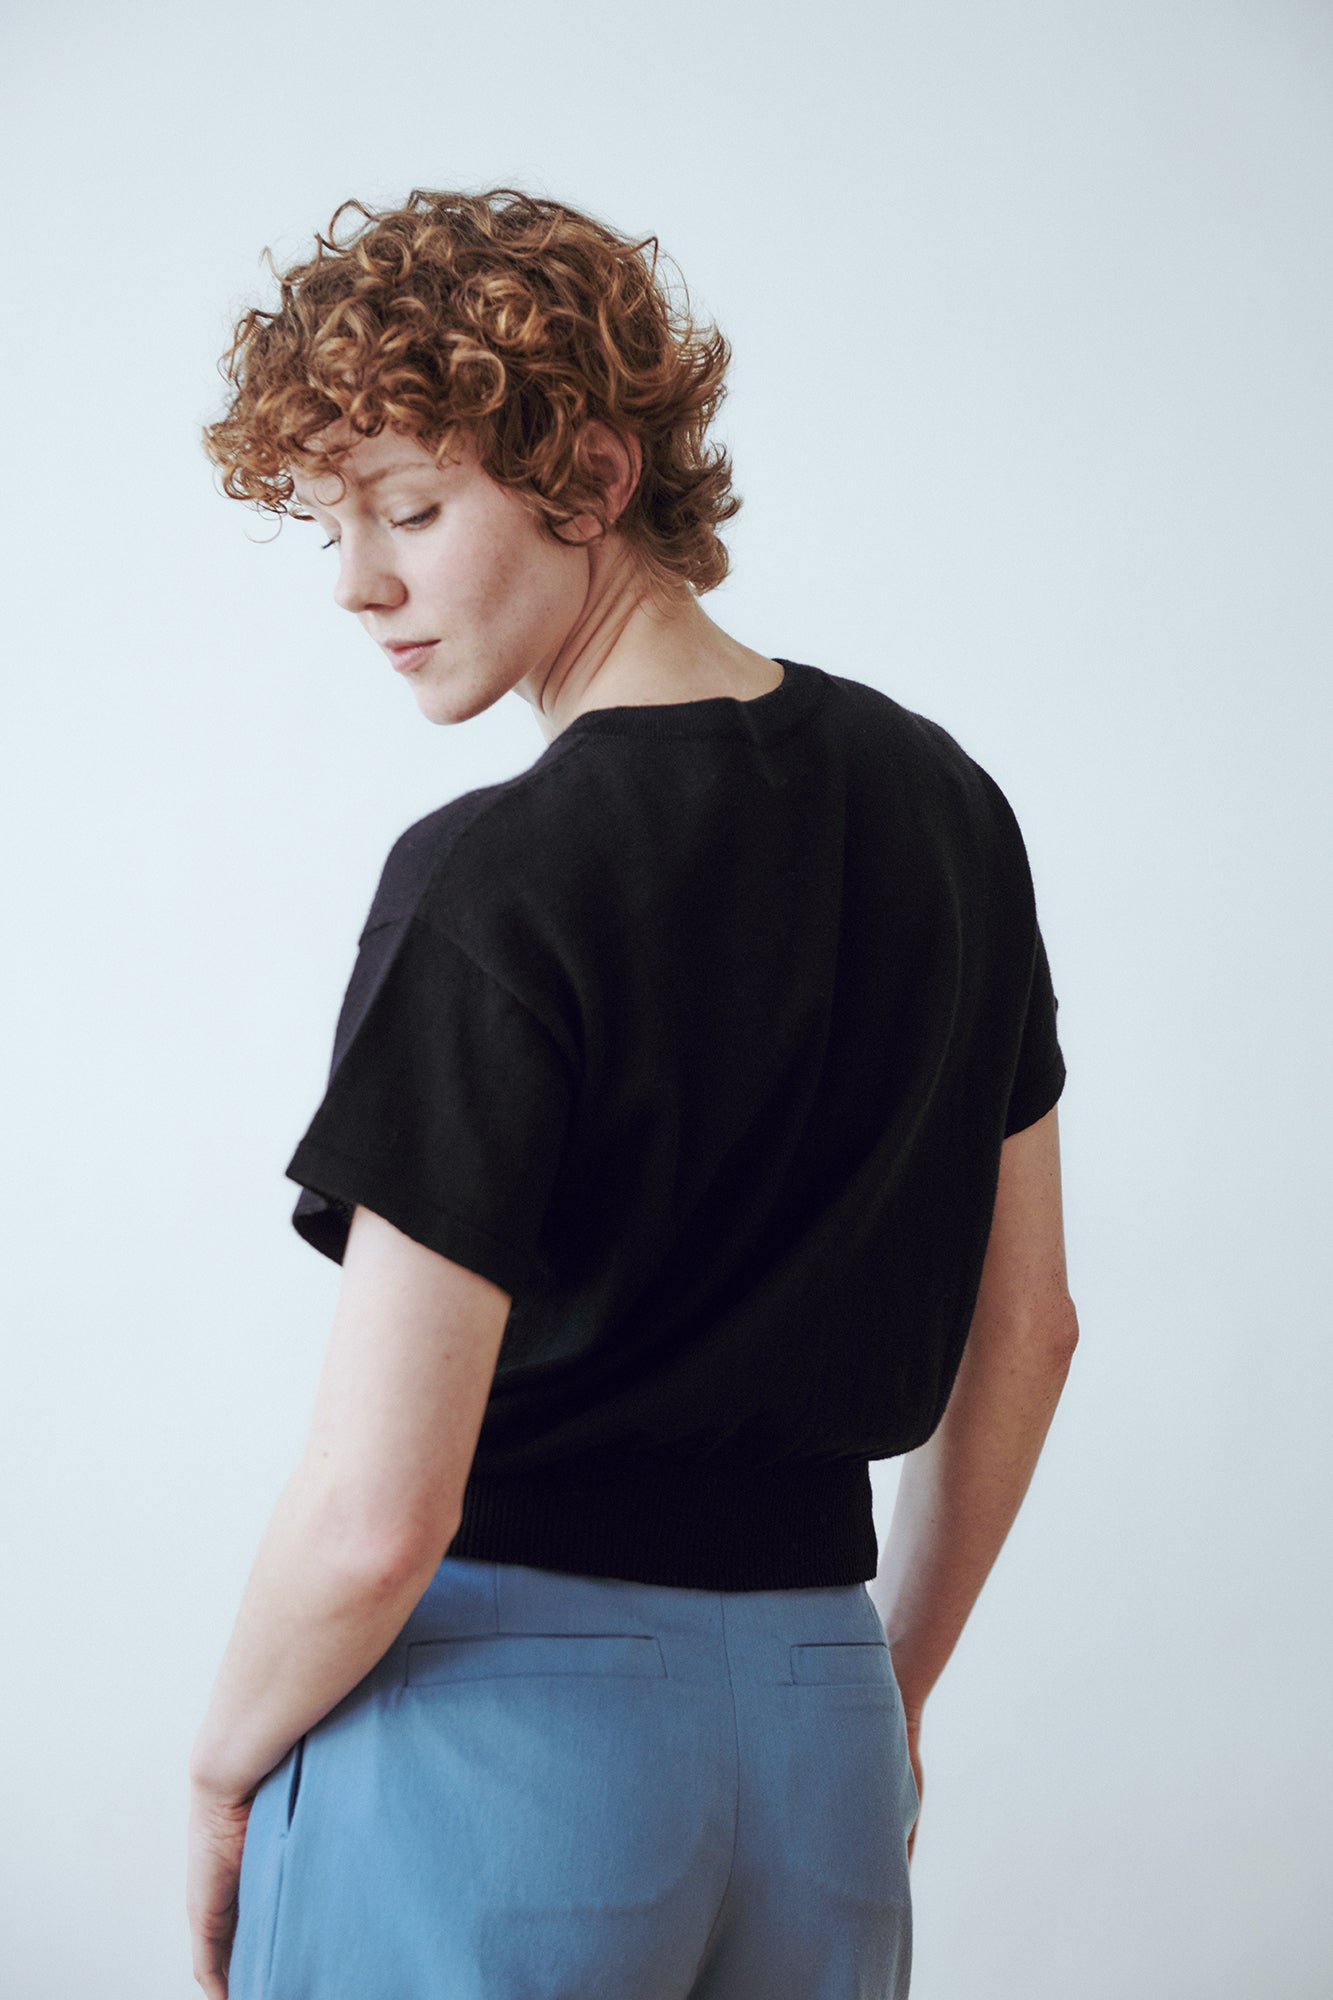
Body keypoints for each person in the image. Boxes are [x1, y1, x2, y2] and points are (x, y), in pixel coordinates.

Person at [186, 186, 1078, 2000]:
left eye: (408, 511)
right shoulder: (946, 808)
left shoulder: (496, 877)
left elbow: (377, 1517)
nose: (358, 584)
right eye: (332, 526)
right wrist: (887, 1693)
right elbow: (1029, 1332)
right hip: (820, 1732)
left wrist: (221, 1775)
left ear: (592, 479)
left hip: (494, 1751)